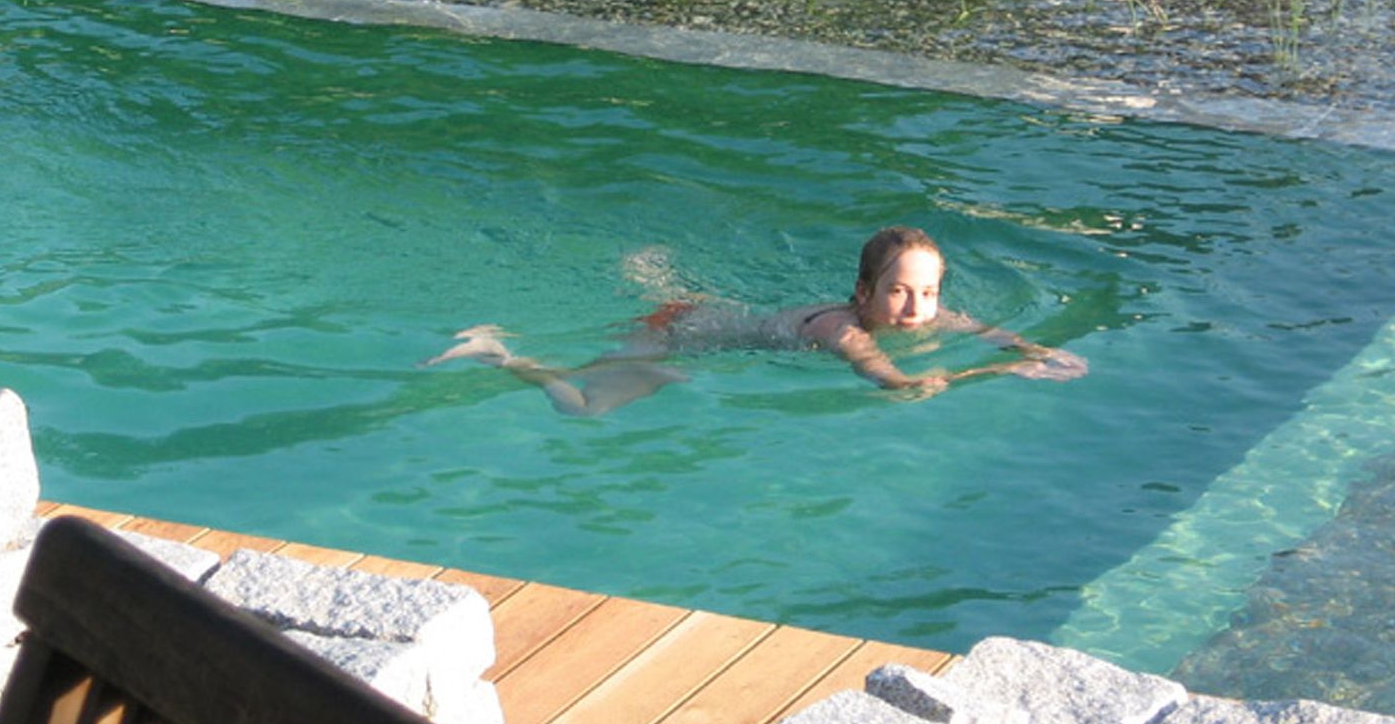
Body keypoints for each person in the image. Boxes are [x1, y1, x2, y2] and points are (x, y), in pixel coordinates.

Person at [423, 225, 1087, 415]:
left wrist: (1035, 350)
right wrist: (1000, 373)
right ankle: (496, 351)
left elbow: (981, 329)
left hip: (715, 324)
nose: (917, 310)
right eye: (898, 293)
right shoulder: (843, 331)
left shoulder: (929, 315)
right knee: (584, 407)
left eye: (929, 294)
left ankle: (660, 282)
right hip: (675, 330)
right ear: (863, 292)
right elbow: (897, 383)